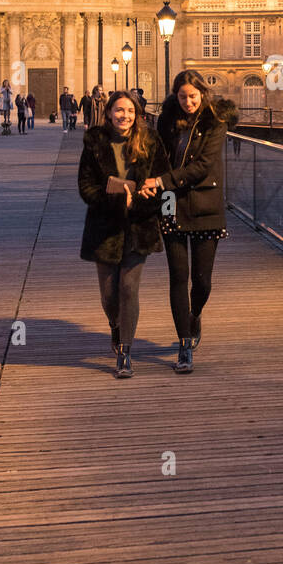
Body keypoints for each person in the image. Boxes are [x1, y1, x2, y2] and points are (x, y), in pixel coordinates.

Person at [140, 70, 238, 374]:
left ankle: (195, 314)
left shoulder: (215, 121)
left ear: (202, 94)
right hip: (171, 204)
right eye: (182, 97)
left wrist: (160, 180)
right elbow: (158, 154)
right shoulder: (168, 118)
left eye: (192, 96)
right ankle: (184, 344)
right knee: (178, 278)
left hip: (205, 204)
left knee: (203, 281)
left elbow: (203, 166)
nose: (187, 102)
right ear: (175, 96)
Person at [78, 91, 168, 379]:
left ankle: (125, 352)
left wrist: (138, 202)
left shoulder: (151, 141)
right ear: (108, 113)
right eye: (119, 110)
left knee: (129, 288)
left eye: (130, 111)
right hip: (104, 227)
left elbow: (162, 184)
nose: (124, 116)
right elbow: (86, 187)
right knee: (109, 295)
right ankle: (115, 326)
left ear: (138, 114)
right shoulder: (94, 141)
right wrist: (119, 201)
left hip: (139, 227)